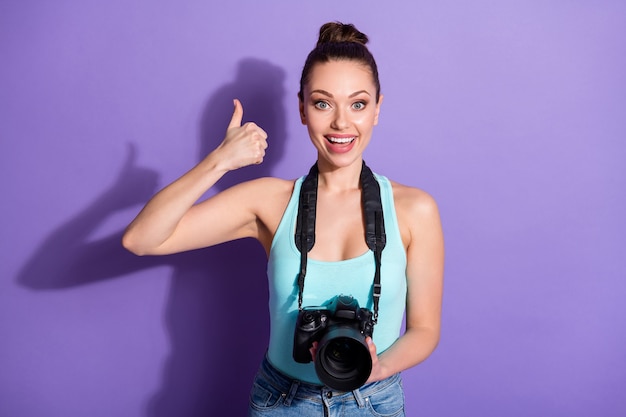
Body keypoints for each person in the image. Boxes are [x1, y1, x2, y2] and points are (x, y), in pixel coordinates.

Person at [123, 21, 444, 417]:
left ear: (377, 108)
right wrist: (218, 162)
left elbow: (425, 330)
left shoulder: (414, 209)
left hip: (374, 398)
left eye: (358, 104)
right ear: (302, 109)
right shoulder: (271, 201)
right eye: (323, 103)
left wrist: (381, 367)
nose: (342, 123)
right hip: (283, 402)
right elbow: (141, 239)